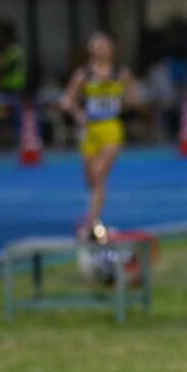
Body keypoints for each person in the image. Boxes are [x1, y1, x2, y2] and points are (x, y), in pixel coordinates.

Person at [60, 31, 143, 240]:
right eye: (97, 45)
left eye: (104, 45)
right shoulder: (83, 74)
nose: (101, 49)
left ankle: (91, 223)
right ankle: (93, 217)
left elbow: (135, 97)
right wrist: (78, 113)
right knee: (91, 179)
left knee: (99, 175)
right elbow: (66, 99)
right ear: (90, 50)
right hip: (90, 130)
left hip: (111, 128)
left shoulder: (121, 73)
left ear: (112, 49)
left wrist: (122, 104)